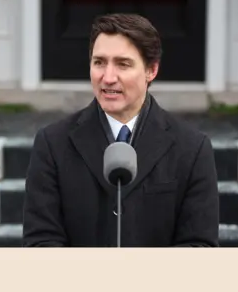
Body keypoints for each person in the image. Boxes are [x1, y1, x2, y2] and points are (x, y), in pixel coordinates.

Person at [22, 13, 219, 247]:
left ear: (151, 70)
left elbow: (199, 247)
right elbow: (41, 242)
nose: (108, 77)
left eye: (123, 64)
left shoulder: (192, 149)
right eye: (99, 63)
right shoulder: (52, 144)